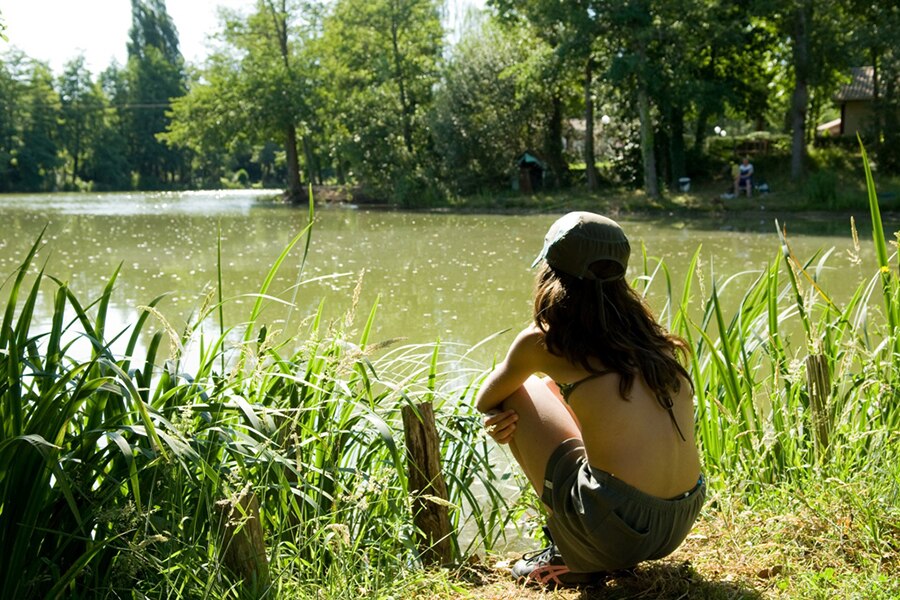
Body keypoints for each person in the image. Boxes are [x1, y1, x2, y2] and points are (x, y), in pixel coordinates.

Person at [475, 212, 705, 587]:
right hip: (679, 518)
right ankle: (593, 544)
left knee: (523, 390)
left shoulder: (544, 341)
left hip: (616, 531)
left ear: (550, 271)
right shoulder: (651, 338)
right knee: (557, 390)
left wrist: (500, 415)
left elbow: (488, 397)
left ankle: (572, 554)